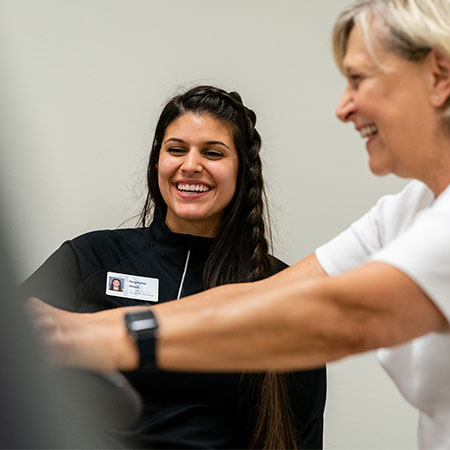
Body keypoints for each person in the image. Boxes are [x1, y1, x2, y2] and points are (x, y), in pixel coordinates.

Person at [27, 0, 450, 448]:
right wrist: (75, 330)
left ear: (439, 77)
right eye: (176, 150)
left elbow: (336, 317)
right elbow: (266, 299)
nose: (343, 107)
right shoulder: (405, 211)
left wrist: (105, 342)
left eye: (358, 79)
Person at [22, 86, 326, 449]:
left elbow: (303, 436)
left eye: (213, 153)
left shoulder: (281, 291)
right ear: (157, 161)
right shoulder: (91, 257)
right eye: (176, 150)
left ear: (242, 171)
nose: (191, 165)